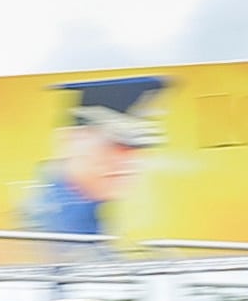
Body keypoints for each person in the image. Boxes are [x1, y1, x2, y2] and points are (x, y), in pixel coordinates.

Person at [19, 75, 166, 243]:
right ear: (71, 140)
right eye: (115, 145)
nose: (128, 162)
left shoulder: (89, 206)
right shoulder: (54, 224)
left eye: (136, 148)